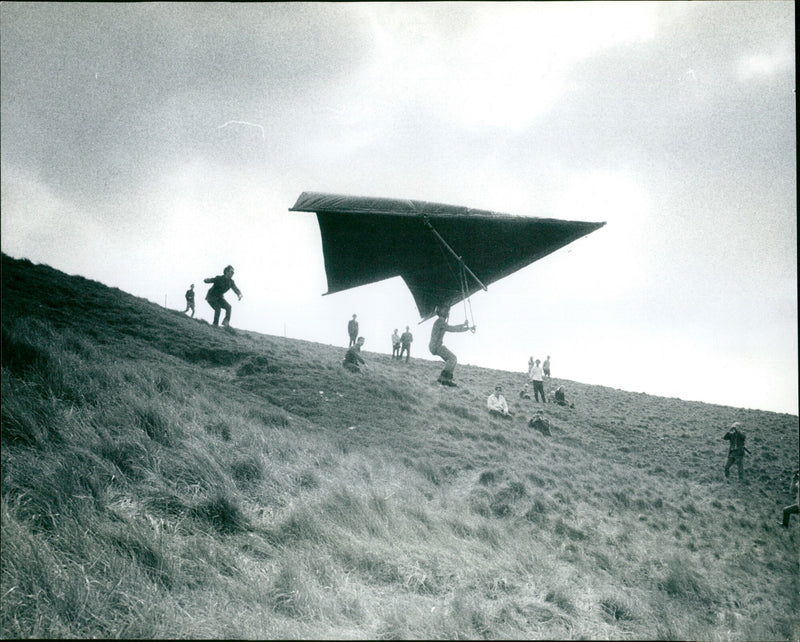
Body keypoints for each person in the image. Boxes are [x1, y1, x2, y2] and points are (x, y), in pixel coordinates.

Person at [429, 304, 472, 386]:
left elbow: (452, 327)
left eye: (447, 311)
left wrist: (464, 326)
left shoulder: (441, 321)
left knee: (452, 360)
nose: (447, 312)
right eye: (445, 310)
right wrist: (466, 328)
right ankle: (443, 379)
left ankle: (447, 379)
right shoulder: (440, 321)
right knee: (452, 358)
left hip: (435, 346)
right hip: (436, 346)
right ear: (440, 312)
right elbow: (453, 329)